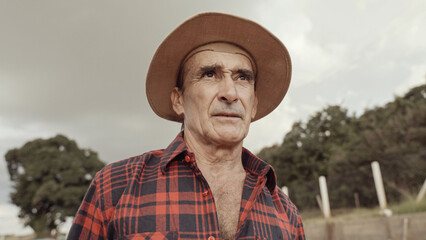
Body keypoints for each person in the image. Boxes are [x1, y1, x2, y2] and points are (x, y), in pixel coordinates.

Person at [68, 12, 305, 240]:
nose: (230, 93)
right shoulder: (113, 188)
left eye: (242, 77)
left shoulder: (287, 214)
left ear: (253, 106)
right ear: (178, 100)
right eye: (210, 74)